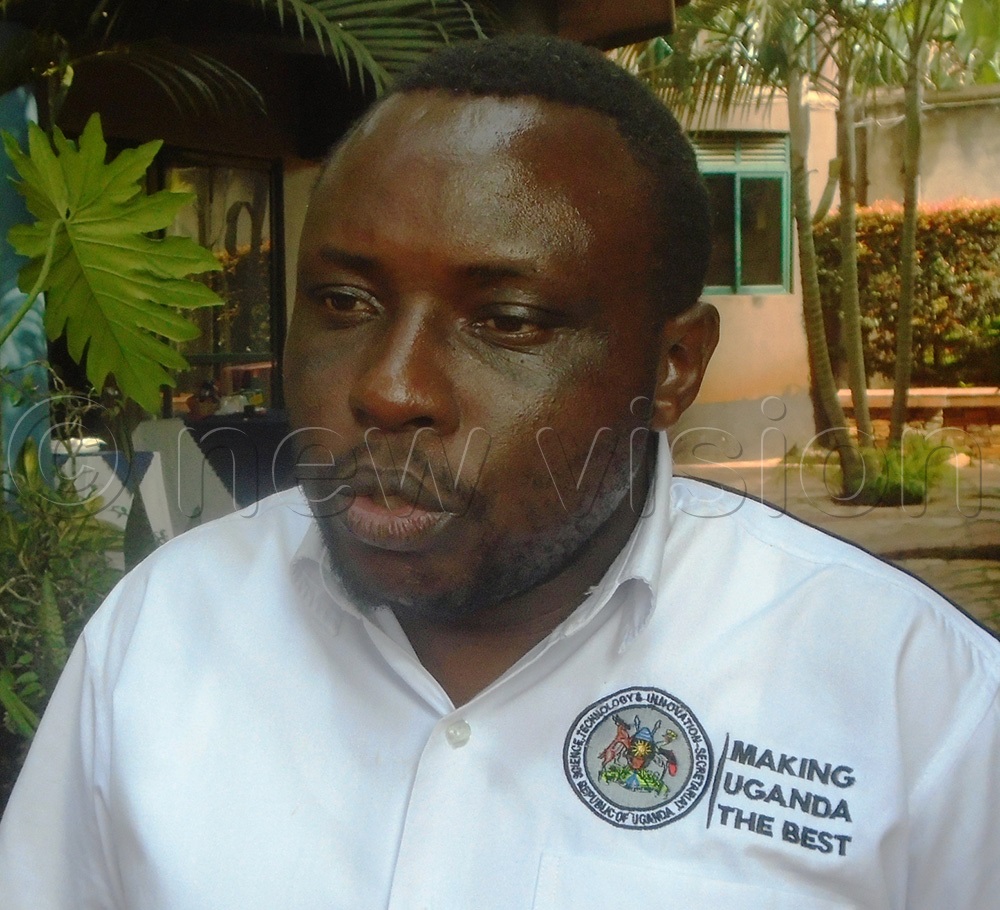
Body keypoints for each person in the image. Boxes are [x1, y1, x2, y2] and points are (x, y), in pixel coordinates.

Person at [1, 34, 998, 910]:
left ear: (670, 367)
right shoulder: (162, 635)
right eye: (345, 303)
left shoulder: (919, 707)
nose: (388, 391)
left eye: (508, 322)